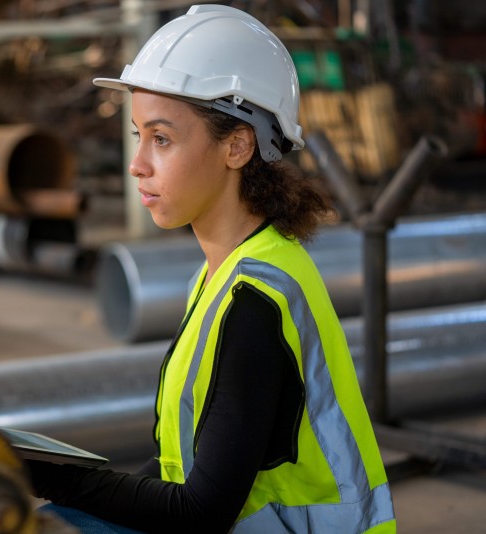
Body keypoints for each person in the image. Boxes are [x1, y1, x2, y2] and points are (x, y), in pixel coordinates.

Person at [26, 5, 396, 533]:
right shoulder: (229, 272)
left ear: (237, 146)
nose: (137, 164)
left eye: (162, 139)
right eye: (139, 137)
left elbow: (200, 512)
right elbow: (183, 471)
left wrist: (46, 476)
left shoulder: (254, 302)